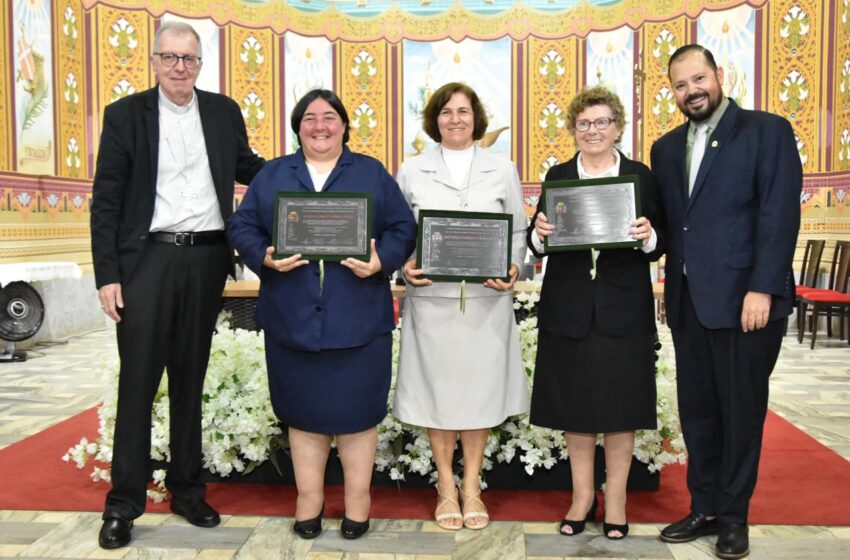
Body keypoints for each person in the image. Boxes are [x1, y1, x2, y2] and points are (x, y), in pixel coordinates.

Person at [90, 21, 264, 549]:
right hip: (148, 261)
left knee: (191, 379)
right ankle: (123, 505)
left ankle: (187, 491)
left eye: (188, 59)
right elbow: (107, 200)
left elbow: (248, 167)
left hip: (207, 259)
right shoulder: (125, 115)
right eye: (169, 57)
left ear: (200, 65)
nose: (179, 68)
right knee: (138, 383)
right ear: (154, 61)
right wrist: (108, 275)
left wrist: (307, 166)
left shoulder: (223, 112)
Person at [227, 89, 416, 540]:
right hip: (292, 320)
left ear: (345, 125)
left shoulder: (370, 172)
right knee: (303, 415)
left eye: (329, 117)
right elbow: (242, 224)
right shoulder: (273, 174)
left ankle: (358, 503)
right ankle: (308, 500)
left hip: (359, 322)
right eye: (309, 118)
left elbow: (403, 227)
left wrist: (381, 261)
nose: (319, 126)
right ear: (298, 127)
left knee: (358, 417)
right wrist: (264, 256)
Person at [650, 45, 801, 560]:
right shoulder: (666, 148)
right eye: (680, 85)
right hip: (689, 303)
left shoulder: (766, 131)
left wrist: (763, 287)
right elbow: (670, 225)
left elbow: (778, 214)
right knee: (698, 413)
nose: (691, 91)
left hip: (745, 303)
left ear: (719, 75)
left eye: (699, 79)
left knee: (740, 412)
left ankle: (734, 518)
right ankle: (705, 507)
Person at [392, 82, 530, 531]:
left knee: (478, 395)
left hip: (487, 302)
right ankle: (445, 484)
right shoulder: (412, 170)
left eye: (464, 111)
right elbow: (399, 232)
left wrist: (513, 266)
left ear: (476, 118)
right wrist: (404, 266)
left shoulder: (502, 168)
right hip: (432, 301)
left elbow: (518, 231)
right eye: (447, 112)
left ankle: (472, 485)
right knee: (439, 395)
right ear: (435, 119)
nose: (455, 119)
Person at [527, 86, 660, 540]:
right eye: (583, 123)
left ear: (618, 128)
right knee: (575, 407)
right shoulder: (559, 175)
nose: (592, 130)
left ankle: (616, 497)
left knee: (622, 408)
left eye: (602, 122)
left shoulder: (640, 176)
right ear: (573, 130)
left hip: (624, 309)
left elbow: (661, 242)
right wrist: (539, 232)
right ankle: (582, 496)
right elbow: (537, 242)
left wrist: (648, 235)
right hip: (569, 310)